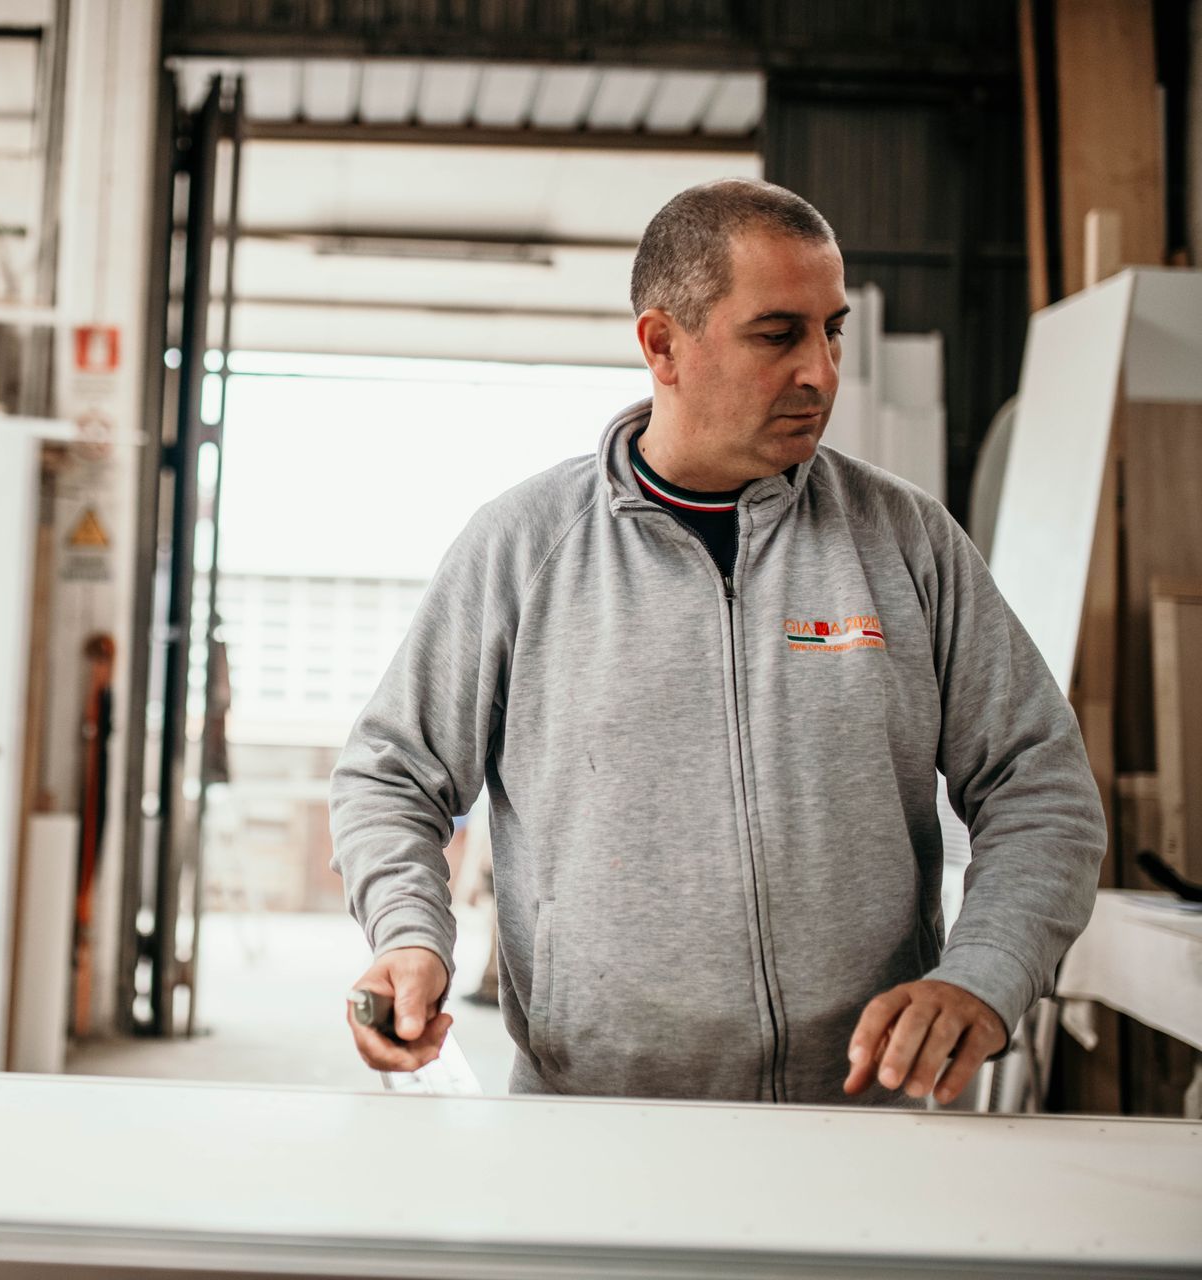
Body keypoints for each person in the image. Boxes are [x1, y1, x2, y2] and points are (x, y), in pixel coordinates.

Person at [328, 178, 1105, 1106]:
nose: (822, 371)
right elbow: (390, 776)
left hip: (865, 1120)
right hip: (595, 1123)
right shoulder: (525, 548)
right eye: (778, 335)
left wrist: (983, 974)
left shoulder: (904, 542)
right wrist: (410, 936)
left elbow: (1040, 787)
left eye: (832, 331)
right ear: (663, 344)